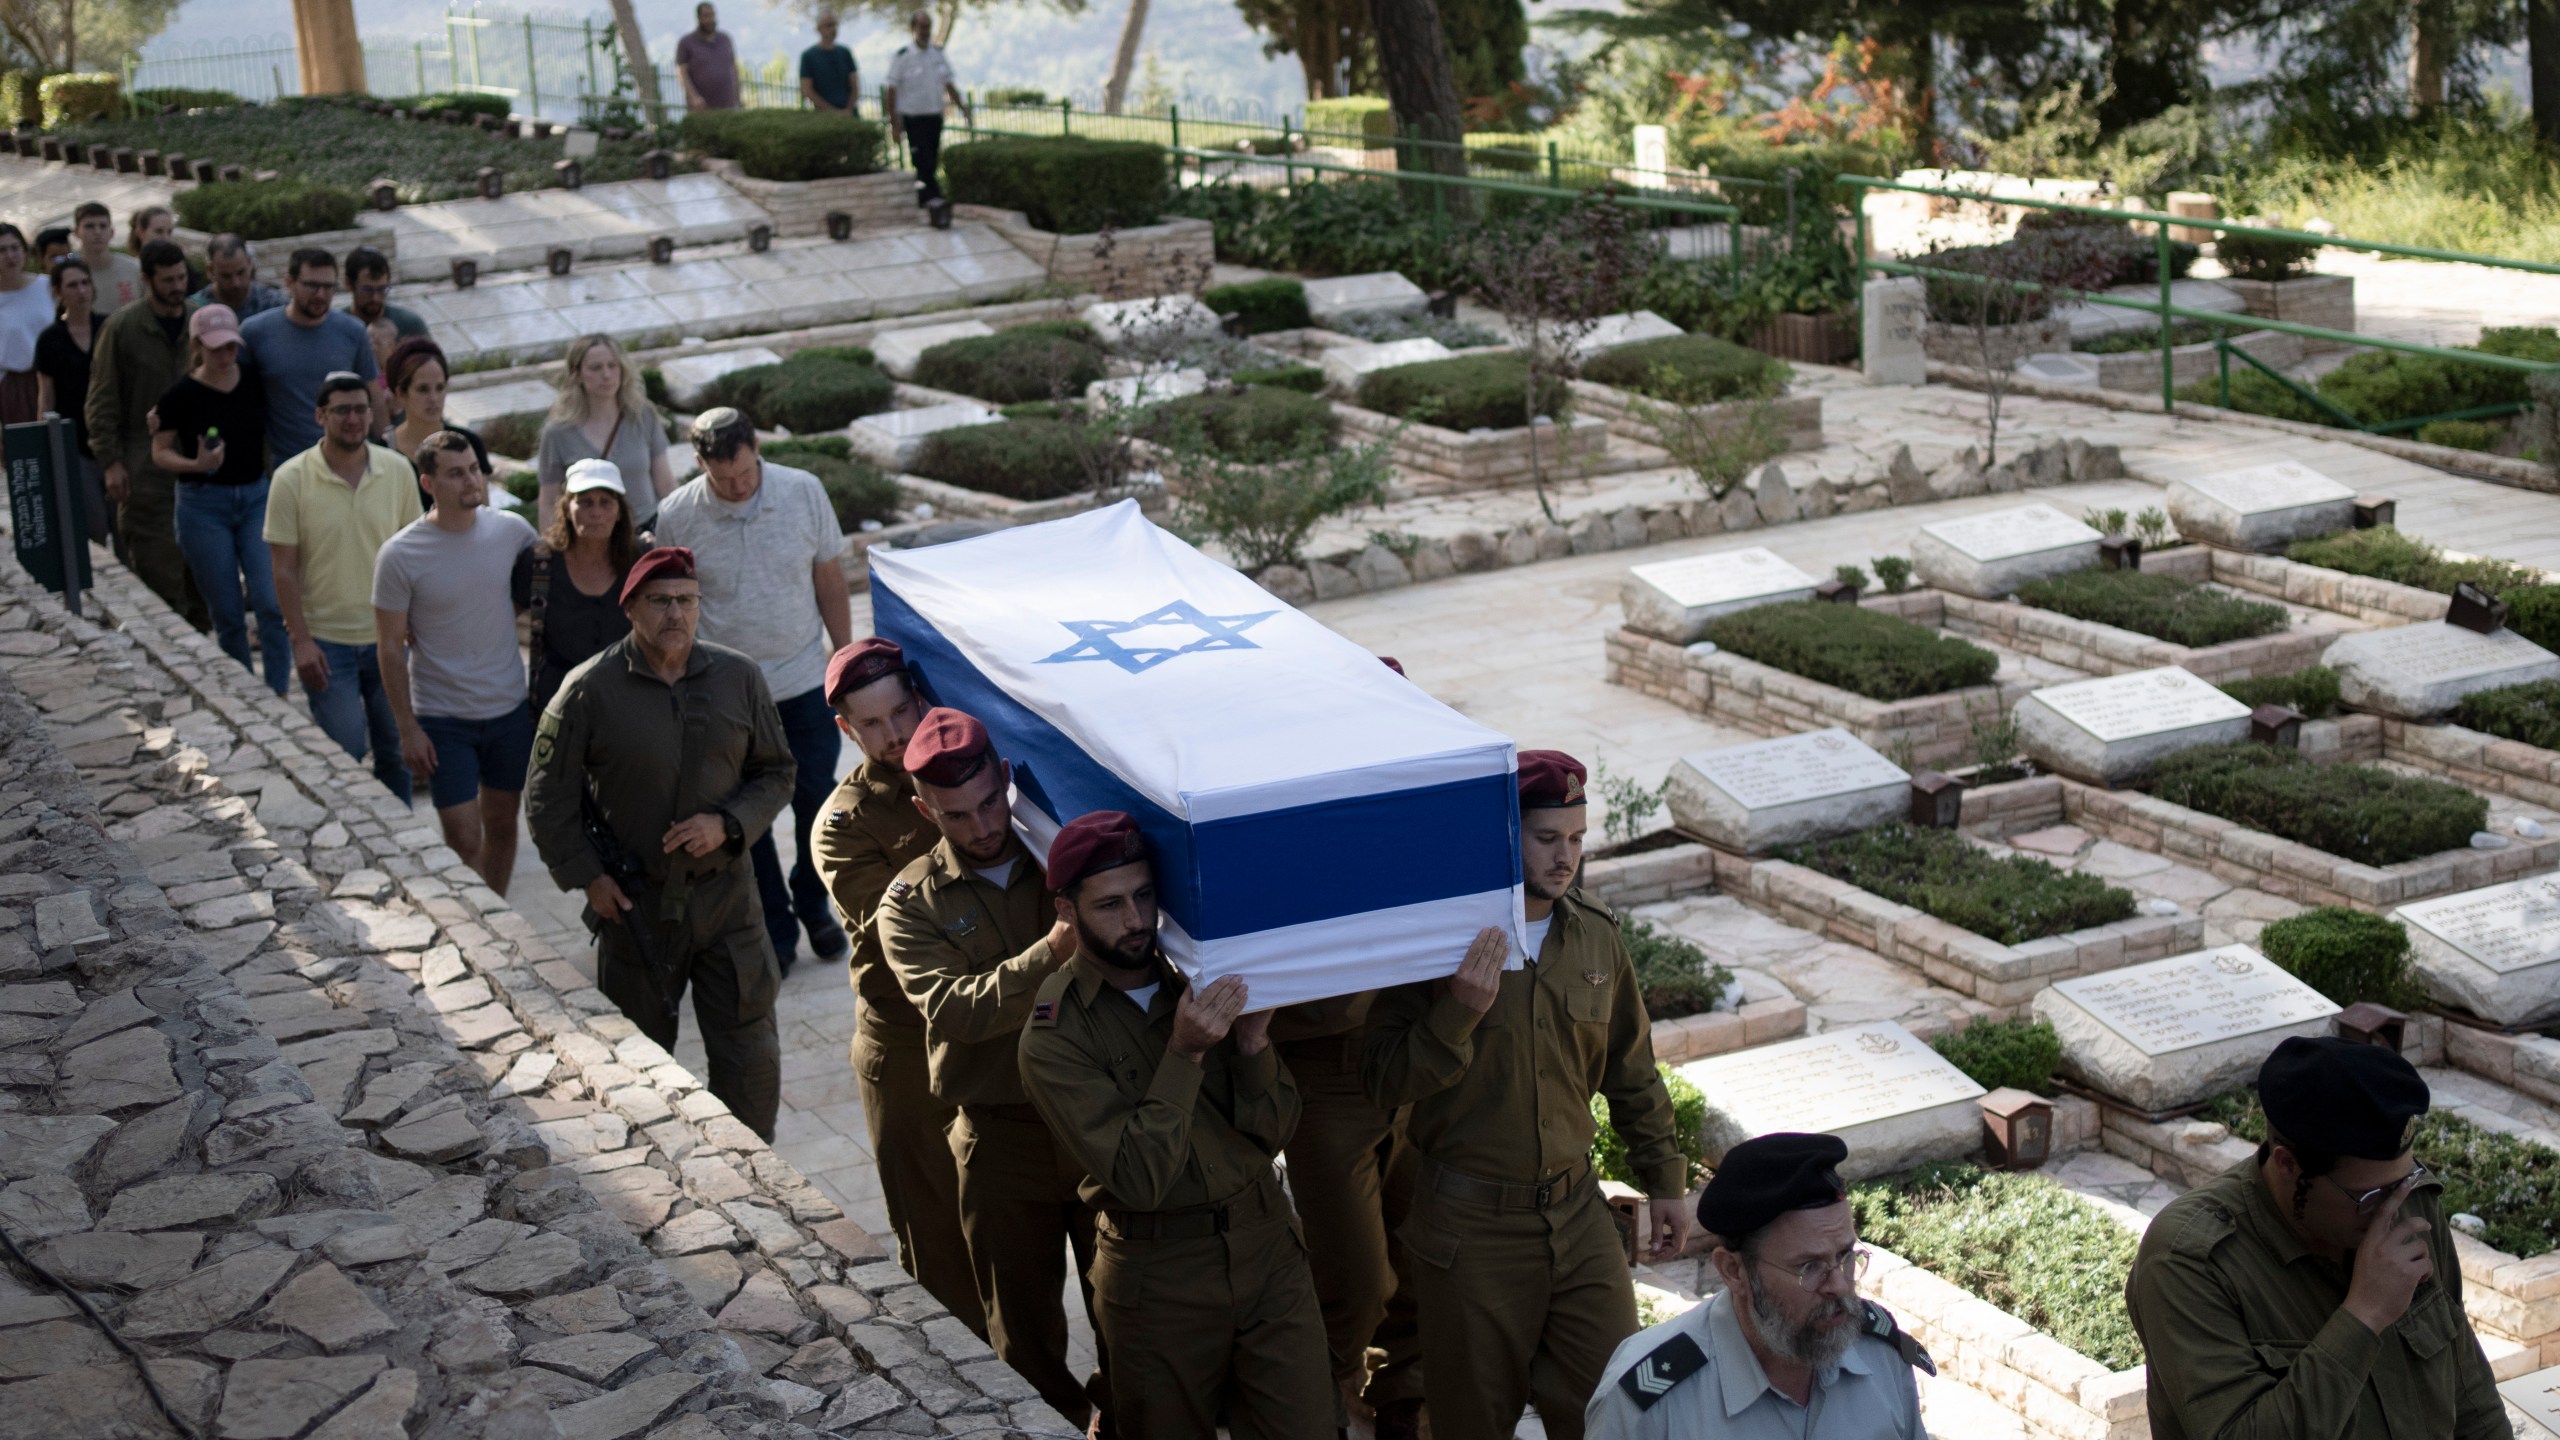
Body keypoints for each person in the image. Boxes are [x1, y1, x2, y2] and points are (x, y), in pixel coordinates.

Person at [1364, 749, 1691, 1440]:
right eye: (1546, 839)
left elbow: (1632, 1067)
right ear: (1504, 836)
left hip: (1577, 1215)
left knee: (1621, 1408)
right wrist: (1456, 1011)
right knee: (1473, 1422)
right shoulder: (1437, 941)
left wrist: (1665, 1179)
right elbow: (1383, 1081)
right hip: (1470, 1230)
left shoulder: (1595, 936)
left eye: (1576, 838)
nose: (1565, 857)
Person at [1020, 810, 1331, 1440]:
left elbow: (1273, 1131)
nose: (1135, 920)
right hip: (1158, 1273)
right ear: (1067, 910)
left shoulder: (1199, 973)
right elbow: (1140, 1176)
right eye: (1110, 905)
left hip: (1266, 1245)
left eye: (1143, 896)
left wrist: (1252, 1046)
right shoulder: (1054, 1035)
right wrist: (1184, 1054)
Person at [877, 708, 1104, 1429]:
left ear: (1004, 780)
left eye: (986, 804)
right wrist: (1052, 953)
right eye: (955, 815)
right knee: (1026, 1343)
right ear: (923, 810)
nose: (979, 827)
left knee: (1136, 1319)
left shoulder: (1063, 859)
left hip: (1097, 1128)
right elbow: (953, 1010)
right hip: (1001, 1142)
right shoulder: (910, 903)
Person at [525, 545, 793, 1137]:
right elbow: (547, 800)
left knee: (751, 1062)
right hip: (636, 905)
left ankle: (760, 1184)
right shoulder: (587, 690)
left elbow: (777, 772)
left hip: (729, 900)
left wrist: (727, 824)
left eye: (687, 601)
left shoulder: (738, 676)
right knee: (641, 1072)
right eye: (660, 601)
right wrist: (589, 879)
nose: (675, 612)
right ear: (630, 608)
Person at [2126, 1036, 2504, 1440]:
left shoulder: (2408, 1205)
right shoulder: (2188, 1261)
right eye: (2368, 1197)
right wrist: (2363, 1316)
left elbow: (2468, 1389)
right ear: (2287, 1164)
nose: (2390, 1211)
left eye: (2403, 1183)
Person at [807, 639, 982, 1335]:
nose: (895, 735)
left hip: (991, 1035)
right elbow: (913, 940)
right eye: (872, 724)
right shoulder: (844, 826)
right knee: (939, 1244)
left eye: (902, 711)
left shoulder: (964, 773)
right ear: (847, 730)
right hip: (910, 1050)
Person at [653, 407, 852, 972]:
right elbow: (672, 604)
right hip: (726, 693)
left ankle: (813, 902)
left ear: (757, 446)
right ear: (699, 465)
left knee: (818, 799)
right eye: (723, 479)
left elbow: (829, 580)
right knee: (747, 815)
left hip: (802, 680)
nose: (737, 487)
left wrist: (844, 659)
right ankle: (775, 925)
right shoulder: (677, 515)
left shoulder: (803, 491)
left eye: (744, 473)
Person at [1586, 1133, 1933, 1438]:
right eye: (1809, 1267)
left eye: (1845, 1256)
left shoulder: (1880, 1354)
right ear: (1734, 1272)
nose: (1840, 1286)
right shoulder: (1652, 1402)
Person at [374, 431, 540, 894]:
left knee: (504, 828)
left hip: (507, 709)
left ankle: (497, 915)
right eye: (455, 473)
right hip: (443, 718)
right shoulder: (400, 554)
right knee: (464, 839)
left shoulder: (511, 531)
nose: (471, 481)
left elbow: (546, 584)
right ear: (429, 483)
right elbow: (389, 646)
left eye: (473, 469)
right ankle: (481, 919)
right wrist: (407, 729)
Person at [263, 372, 423, 802]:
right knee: (344, 752)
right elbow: (283, 570)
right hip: (327, 645)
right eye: (342, 410)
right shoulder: (290, 479)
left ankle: (401, 837)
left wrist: (416, 626)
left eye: (361, 409)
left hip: (388, 641)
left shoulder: (398, 471)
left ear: (373, 414)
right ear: (321, 416)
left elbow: (415, 555)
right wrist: (300, 640)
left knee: (395, 751)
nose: (353, 419)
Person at [1274, 987, 1424, 1432]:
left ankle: (1401, 1396)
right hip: (1324, 1060)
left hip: (1412, 1054)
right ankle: (1324, 1387)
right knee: (1358, 1278)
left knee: (1415, 1255)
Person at [152, 303, 287, 695]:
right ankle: (245, 690)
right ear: (197, 346)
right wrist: (196, 463)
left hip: (255, 497)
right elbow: (159, 451)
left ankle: (277, 690)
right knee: (227, 612)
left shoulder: (253, 380)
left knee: (270, 603)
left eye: (231, 347)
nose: (225, 356)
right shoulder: (180, 395)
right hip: (202, 504)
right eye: (215, 348)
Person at [87, 239, 205, 627]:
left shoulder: (200, 321)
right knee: (159, 572)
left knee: (201, 579)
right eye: (167, 280)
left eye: (181, 278)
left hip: (200, 464)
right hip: (144, 469)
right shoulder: (122, 329)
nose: (176, 287)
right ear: (146, 280)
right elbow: (102, 400)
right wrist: (111, 463)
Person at [512, 458, 641, 713]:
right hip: (557, 704)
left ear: (619, 512)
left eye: (606, 502)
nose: (596, 512)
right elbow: (503, 619)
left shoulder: (639, 562)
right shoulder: (540, 563)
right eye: (585, 502)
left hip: (625, 701)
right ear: (567, 509)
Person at [242, 248, 387, 459]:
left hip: (344, 459)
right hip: (285, 462)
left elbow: (373, 393)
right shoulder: (255, 332)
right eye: (312, 285)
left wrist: (387, 445)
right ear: (289, 283)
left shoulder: (353, 331)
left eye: (328, 287)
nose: (320, 294)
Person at [535, 333, 675, 529]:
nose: (606, 375)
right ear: (577, 374)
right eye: (596, 368)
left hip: (644, 530)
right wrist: (552, 550)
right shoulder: (558, 432)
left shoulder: (642, 416)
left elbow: (666, 484)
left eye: (612, 365)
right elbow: (549, 501)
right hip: (591, 537)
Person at [36, 256, 108, 551]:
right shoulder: (50, 339)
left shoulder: (108, 328)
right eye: (72, 285)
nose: (81, 291)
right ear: (58, 292)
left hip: (111, 438)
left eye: (85, 283)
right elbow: (46, 394)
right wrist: (45, 441)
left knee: (125, 525)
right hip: (74, 442)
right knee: (94, 525)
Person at [885, 9, 970, 208]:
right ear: (913, 28)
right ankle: (933, 197)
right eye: (921, 27)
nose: (925, 31)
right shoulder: (902, 57)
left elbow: (948, 83)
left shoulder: (937, 54)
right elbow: (891, 90)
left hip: (934, 115)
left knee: (932, 157)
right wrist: (894, 123)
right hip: (913, 117)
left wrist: (962, 107)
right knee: (921, 159)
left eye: (928, 27)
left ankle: (926, 196)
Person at [385, 338, 491, 480]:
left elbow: (480, 500)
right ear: (401, 394)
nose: (433, 398)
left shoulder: (469, 444)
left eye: (440, 388)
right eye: (423, 389)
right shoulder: (383, 452)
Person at [0, 224, 52, 424]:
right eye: (2, 250)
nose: (10, 255)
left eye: (15, 248)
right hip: (14, 388)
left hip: (53, 379)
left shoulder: (47, 286)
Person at [345, 247, 428, 353]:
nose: (375, 297)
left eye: (382, 289)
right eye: (367, 290)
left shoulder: (410, 326)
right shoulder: (336, 328)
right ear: (348, 284)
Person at [190, 235, 286, 320]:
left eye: (241, 273)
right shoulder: (196, 309)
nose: (236, 283)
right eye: (226, 276)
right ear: (210, 270)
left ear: (249, 263)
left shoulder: (274, 303)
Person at [74, 202, 142, 311]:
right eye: (89, 226)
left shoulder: (135, 269)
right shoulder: (71, 276)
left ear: (111, 232)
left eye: (103, 226)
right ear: (76, 232)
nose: (97, 232)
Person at [675, 2, 741, 112]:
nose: (710, 20)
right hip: (701, 107)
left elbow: (734, 69)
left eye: (712, 15)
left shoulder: (725, 40)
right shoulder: (686, 43)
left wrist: (738, 96)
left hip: (728, 105)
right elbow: (681, 73)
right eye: (706, 16)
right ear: (699, 18)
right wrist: (694, 97)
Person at [800, 10, 859, 114]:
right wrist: (832, 112)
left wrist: (848, 110)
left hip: (850, 115)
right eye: (829, 25)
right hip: (824, 117)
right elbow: (807, 90)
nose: (833, 29)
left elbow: (854, 85)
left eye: (835, 25)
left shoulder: (845, 53)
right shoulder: (808, 57)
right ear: (819, 29)